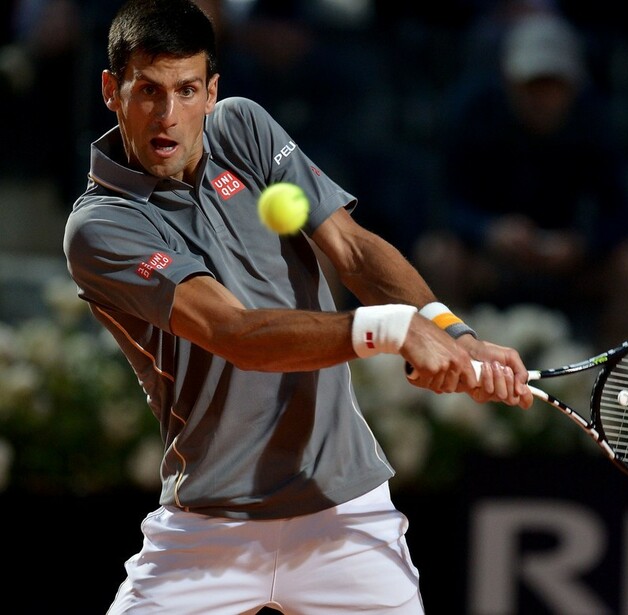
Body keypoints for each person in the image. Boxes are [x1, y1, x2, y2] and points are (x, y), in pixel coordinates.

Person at [62, 1, 534, 613]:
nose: (168, 116)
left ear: (212, 91)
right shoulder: (101, 227)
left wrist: (453, 333)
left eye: (185, 90)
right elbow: (235, 334)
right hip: (210, 527)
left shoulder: (243, 129)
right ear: (111, 91)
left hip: (346, 519)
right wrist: (392, 328)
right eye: (147, 91)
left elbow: (353, 251)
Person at [414, 11, 628, 348]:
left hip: (567, 262)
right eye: (533, 85)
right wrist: (489, 230)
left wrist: (582, 243)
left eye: (554, 86)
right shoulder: (474, 112)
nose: (543, 98)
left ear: (574, 86)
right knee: (437, 255)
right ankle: (457, 364)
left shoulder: (595, 121)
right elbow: (440, 202)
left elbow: (624, 213)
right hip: (493, 259)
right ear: (509, 80)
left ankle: (611, 372)